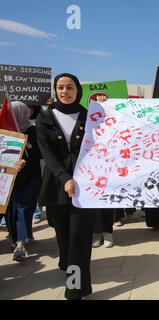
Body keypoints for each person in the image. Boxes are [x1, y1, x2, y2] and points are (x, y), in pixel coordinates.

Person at [35, 73, 95, 300]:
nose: (64, 92)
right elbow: (47, 154)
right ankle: (66, 262)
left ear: (77, 90)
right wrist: (64, 178)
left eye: (69, 87)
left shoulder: (90, 116)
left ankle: (75, 289)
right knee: (64, 236)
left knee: (79, 238)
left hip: (84, 186)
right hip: (56, 186)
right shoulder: (45, 117)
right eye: (60, 87)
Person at [6, 101, 42, 261]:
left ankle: (20, 243)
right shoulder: (5, 132)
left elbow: (40, 153)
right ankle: (17, 240)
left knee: (24, 208)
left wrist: (28, 151)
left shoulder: (33, 130)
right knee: (12, 210)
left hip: (30, 177)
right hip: (10, 178)